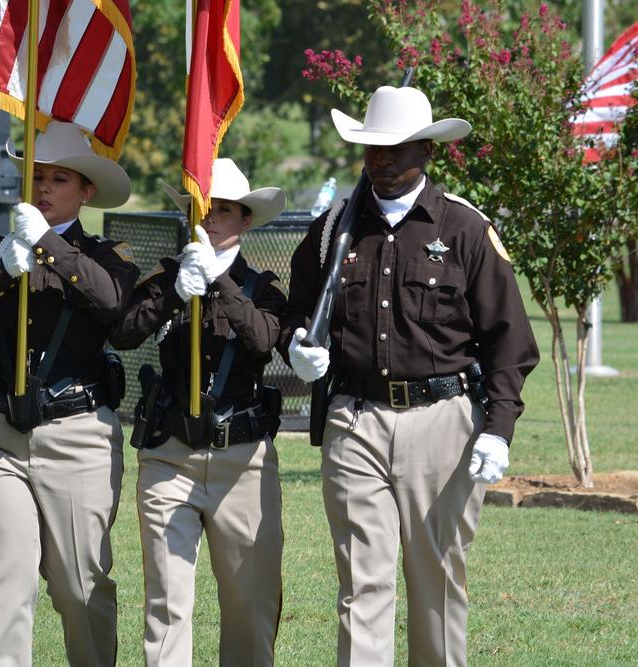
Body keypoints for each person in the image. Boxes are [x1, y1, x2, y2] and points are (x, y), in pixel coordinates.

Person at [281, 85, 540, 666]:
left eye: (396, 148)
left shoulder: (466, 229)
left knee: (438, 586)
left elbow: (510, 342)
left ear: (426, 150)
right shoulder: (329, 232)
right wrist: (295, 345)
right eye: (374, 149)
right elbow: (295, 312)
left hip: (442, 424)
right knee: (361, 588)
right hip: (355, 421)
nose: (383, 161)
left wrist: (498, 427)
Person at [0, 120, 139, 666]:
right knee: (1, 582)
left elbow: (114, 304)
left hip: (78, 435)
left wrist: (46, 244)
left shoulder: (107, 255)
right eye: (35, 177)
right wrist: (3, 267)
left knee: (79, 586)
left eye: (58, 179)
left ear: (85, 192)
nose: (43, 188)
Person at [109, 158, 287, 666]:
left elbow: (263, 339)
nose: (209, 219)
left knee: (250, 605)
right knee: (166, 605)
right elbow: (123, 334)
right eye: (200, 209)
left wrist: (222, 286)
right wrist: (172, 294)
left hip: (242, 462)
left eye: (223, 211)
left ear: (245, 220)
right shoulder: (168, 276)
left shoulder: (263, 287)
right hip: (170, 455)